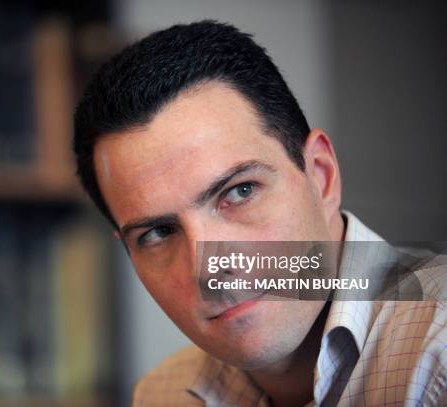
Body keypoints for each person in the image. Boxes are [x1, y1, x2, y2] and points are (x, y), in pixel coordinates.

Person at [73, 21, 446, 406]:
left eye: (240, 191)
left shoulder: (439, 354)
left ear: (321, 175)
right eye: (159, 233)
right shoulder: (162, 395)